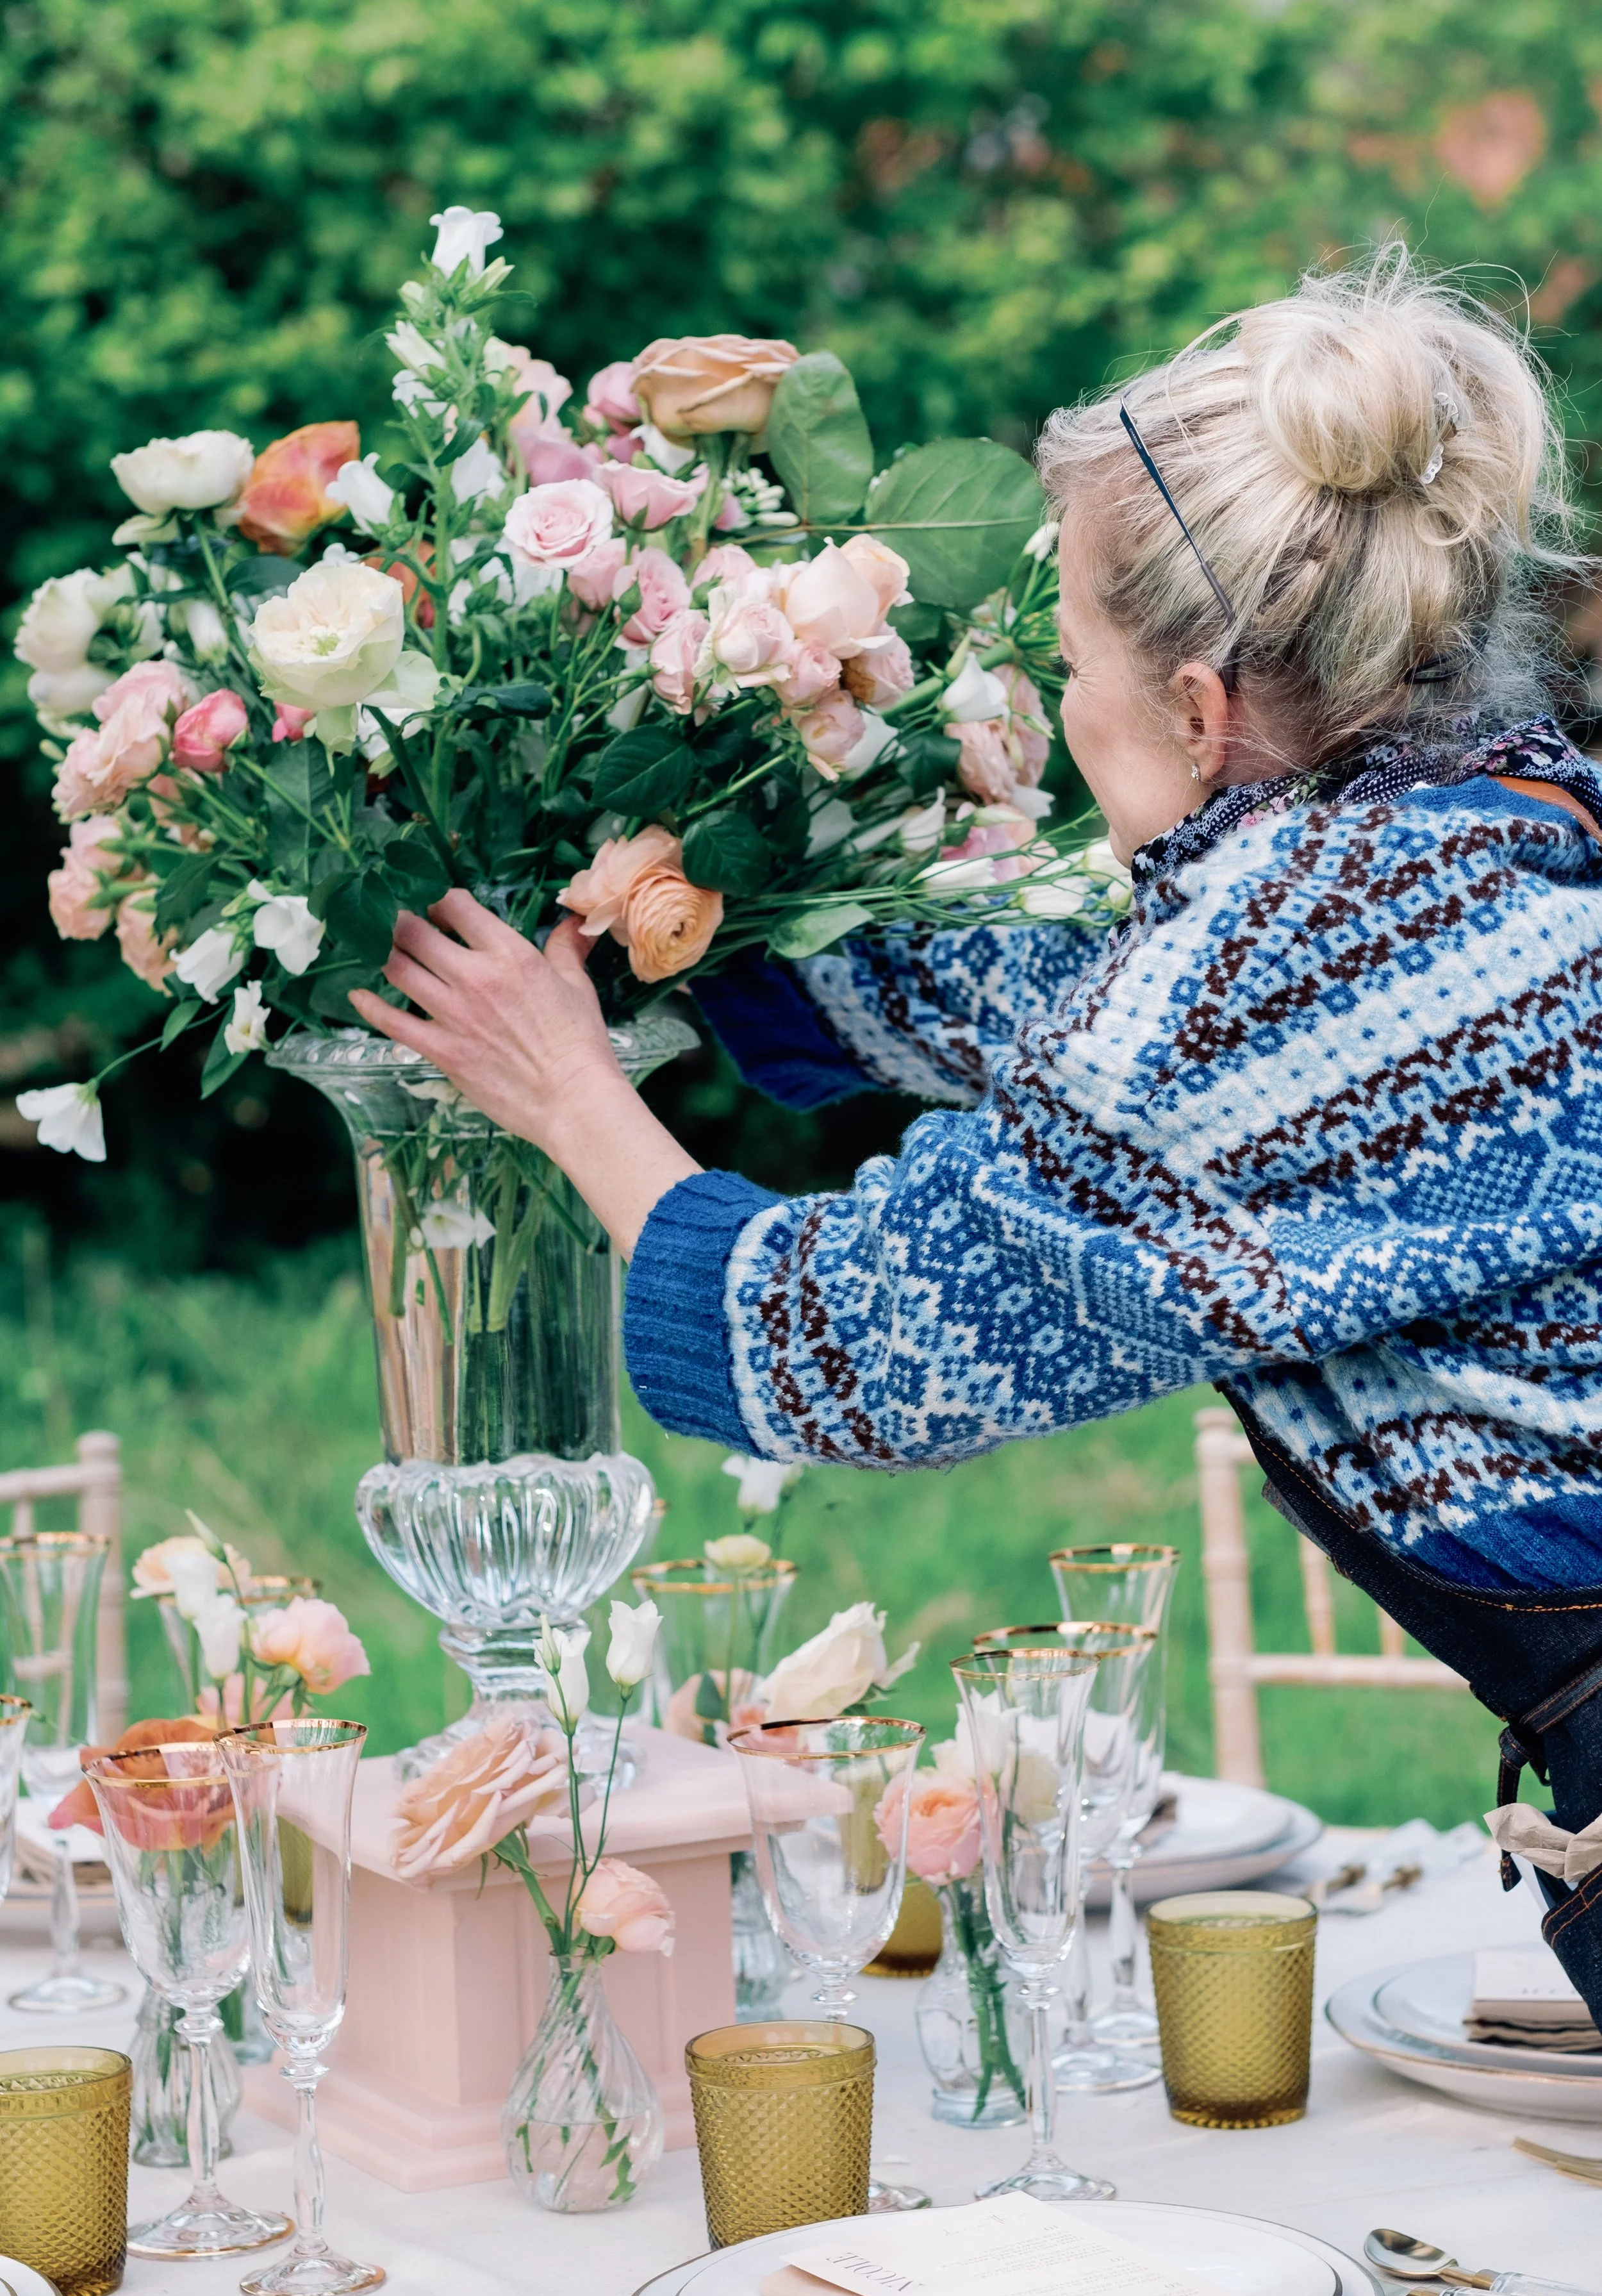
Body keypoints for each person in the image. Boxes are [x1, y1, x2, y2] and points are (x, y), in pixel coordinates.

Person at [352, 250, 1602, 2002]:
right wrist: (685, 910)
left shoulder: (1260, 981)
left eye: (1074, 649)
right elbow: (1059, 1000)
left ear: (1196, 707)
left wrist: (568, 1087)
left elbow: (841, 1338)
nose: (1059, 696)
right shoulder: (1486, 830)